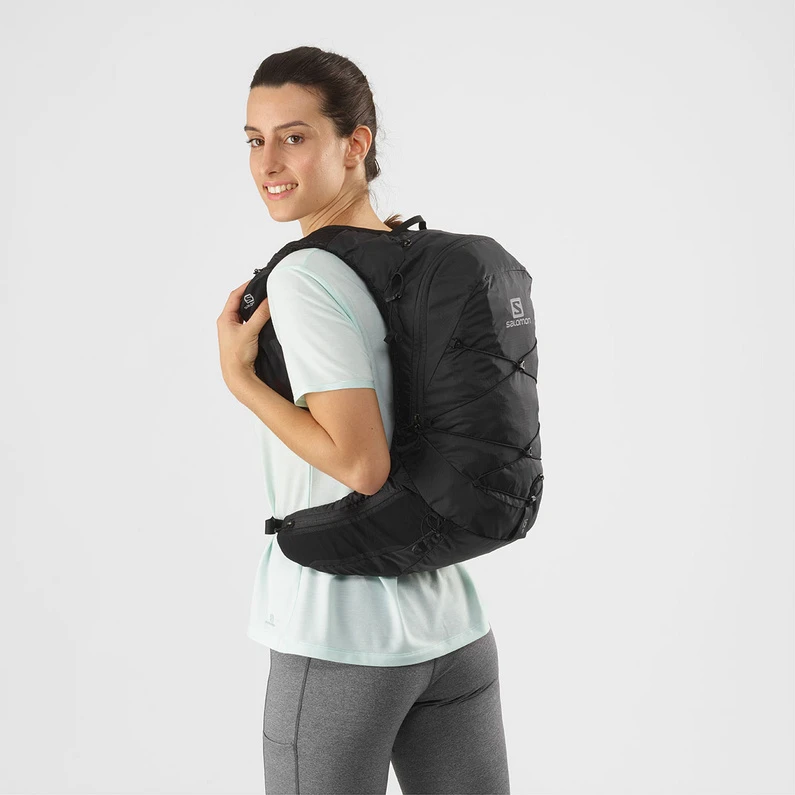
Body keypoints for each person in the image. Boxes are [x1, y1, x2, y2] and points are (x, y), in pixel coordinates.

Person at [216, 45, 511, 795]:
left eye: (294, 136)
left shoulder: (305, 275)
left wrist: (240, 380)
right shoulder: (405, 262)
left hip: (338, 633)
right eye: (254, 139)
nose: (267, 163)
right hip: (451, 626)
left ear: (356, 144)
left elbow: (361, 464)